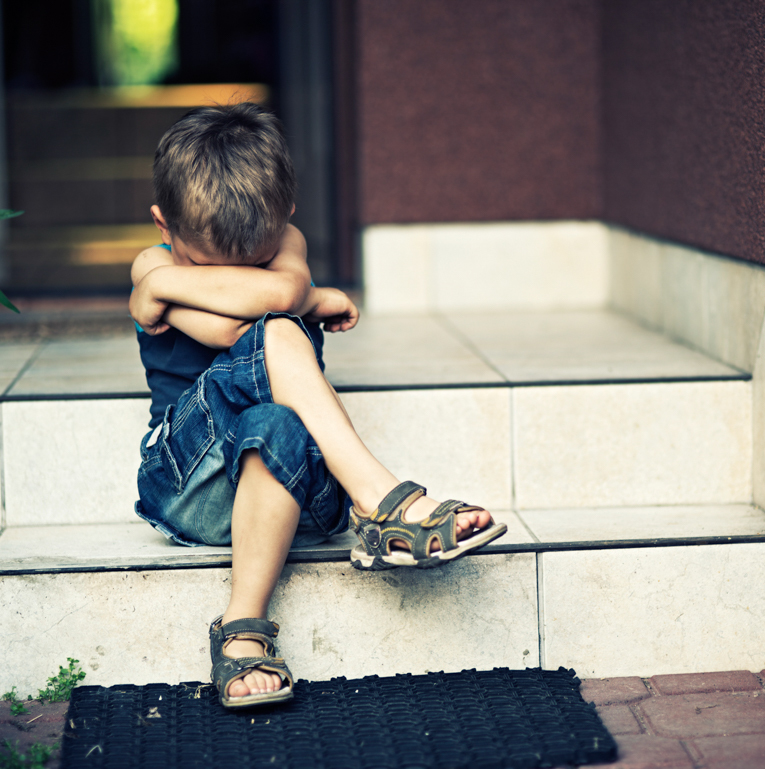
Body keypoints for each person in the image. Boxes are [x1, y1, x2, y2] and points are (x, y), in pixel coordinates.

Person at [129, 103, 506, 709]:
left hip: (292, 492)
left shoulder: (240, 256)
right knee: (275, 333)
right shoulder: (150, 259)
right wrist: (303, 297)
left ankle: (241, 634)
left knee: (274, 421)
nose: (231, 275)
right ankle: (385, 503)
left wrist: (180, 288)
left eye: (250, 260)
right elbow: (245, 326)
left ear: (286, 219)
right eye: (205, 264)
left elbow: (277, 293)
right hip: (187, 484)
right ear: (162, 224)